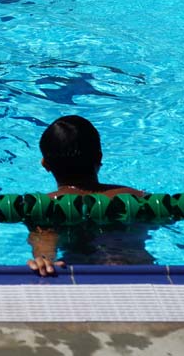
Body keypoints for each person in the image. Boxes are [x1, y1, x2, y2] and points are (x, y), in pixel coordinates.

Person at [26, 115, 147, 276]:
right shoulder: (138, 198)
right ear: (100, 158)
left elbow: (44, 235)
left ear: (45, 165)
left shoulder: (44, 206)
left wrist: (44, 258)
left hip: (83, 274)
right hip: (141, 270)